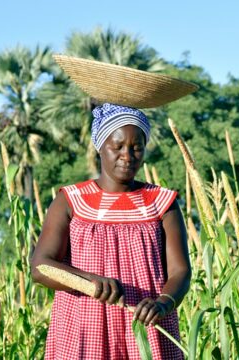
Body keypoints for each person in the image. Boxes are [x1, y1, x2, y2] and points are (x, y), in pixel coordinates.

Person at [30, 103, 191, 359]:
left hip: (146, 324)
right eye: (117, 147)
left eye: (136, 148)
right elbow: (40, 267)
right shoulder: (71, 200)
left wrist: (163, 303)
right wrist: (87, 280)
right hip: (84, 326)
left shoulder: (162, 202)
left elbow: (180, 271)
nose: (127, 156)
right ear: (100, 147)